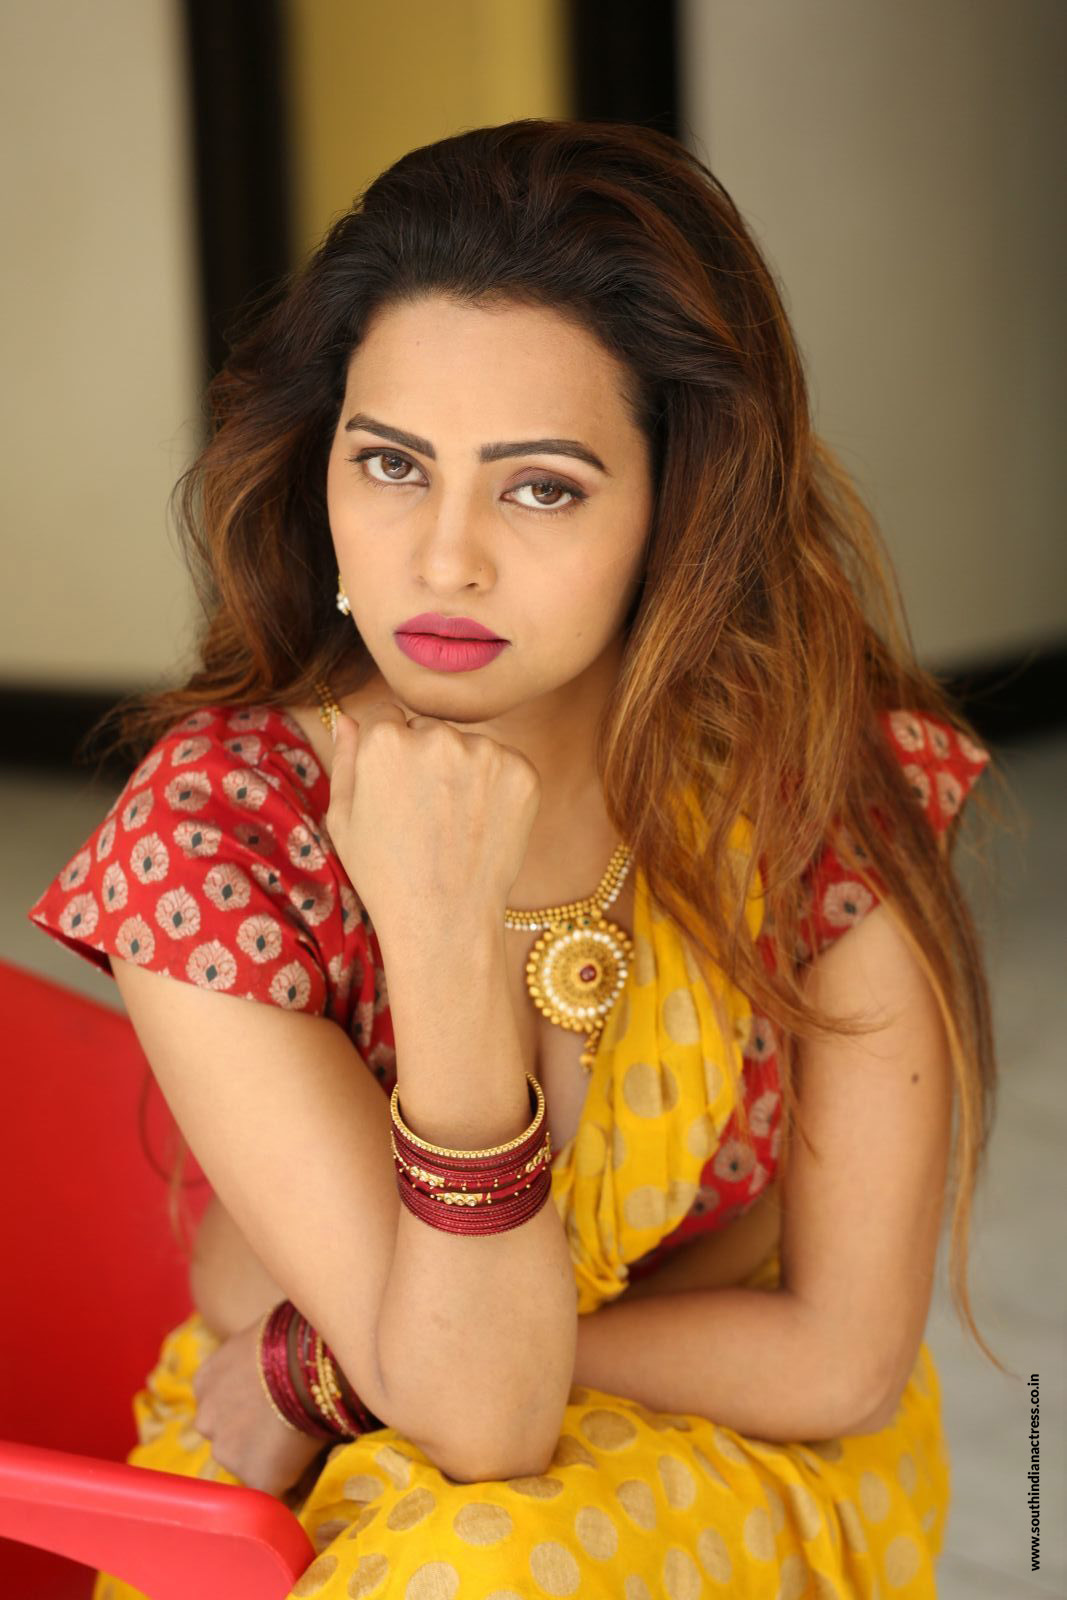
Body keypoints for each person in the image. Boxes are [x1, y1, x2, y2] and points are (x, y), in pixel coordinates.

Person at [28, 117, 1002, 1600]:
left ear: (675, 509)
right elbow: (481, 1424)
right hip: (297, 1467)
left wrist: (328, 1362)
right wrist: (437, 937)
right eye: (391, 464)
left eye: (542, 485)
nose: (446, 559)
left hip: (739, 1445)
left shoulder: (816, 788)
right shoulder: (219, 839)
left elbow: (838, 1360)